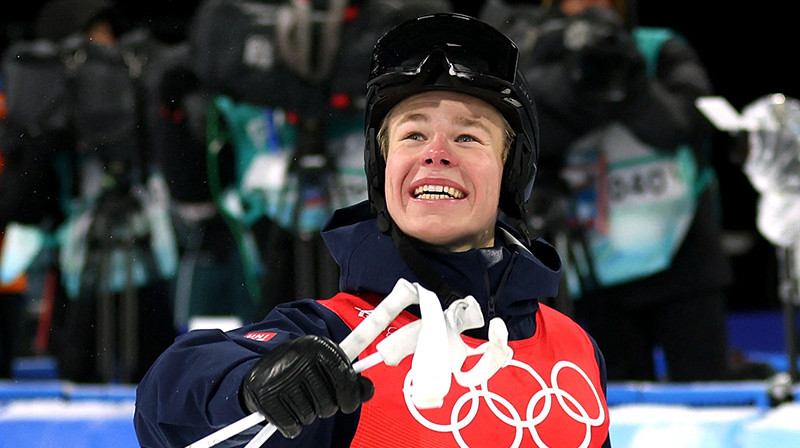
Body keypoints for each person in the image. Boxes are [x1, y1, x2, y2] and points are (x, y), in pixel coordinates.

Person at [134, 12, 611, 448]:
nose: (436, 153)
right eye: (413, 135)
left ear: (511, 172)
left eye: (467, 136)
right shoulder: (335, 342)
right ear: (380, 169)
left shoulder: (575, 348)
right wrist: (248, 385)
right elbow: (166, 406)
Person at [483, 0, 740, 382]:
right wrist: (576, 87)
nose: (593, 4)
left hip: (686, 258)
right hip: (594, 271)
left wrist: (629, 82)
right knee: (610, 404)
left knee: (707, 393)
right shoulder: (540, 55)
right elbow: (527, 143)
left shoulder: (659, 47)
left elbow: (688, 126)